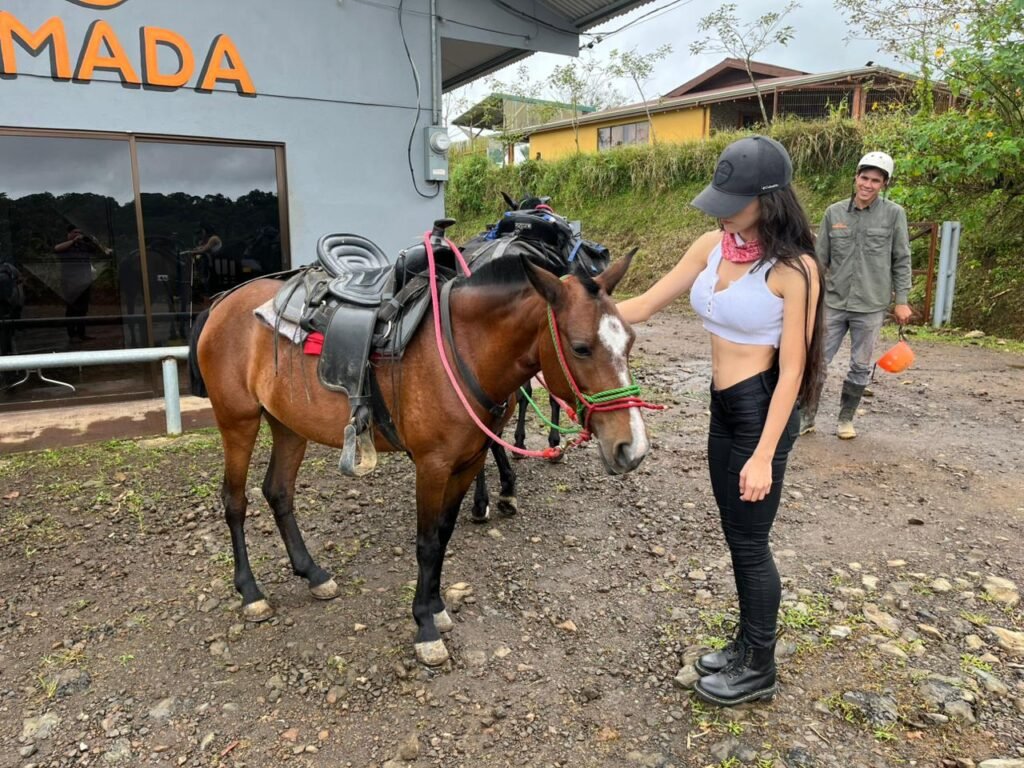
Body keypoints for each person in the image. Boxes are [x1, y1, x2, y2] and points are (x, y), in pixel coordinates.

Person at [618, 135, 824, 707]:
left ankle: (760, 666)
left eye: (735, 202)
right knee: (736, 537)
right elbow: (643, 304)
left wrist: (763, 454)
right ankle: (744, 644)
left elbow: (794, 373)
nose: (723, 212)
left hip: (762, 410)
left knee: (751, 543)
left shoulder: (794, 269)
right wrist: (573, 304)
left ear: (770, 200)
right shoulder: (713, 245)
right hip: (721, 407)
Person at [799, 151, 912, 439]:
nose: (868, 184)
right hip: (834, 302)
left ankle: (845, 420)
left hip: (871, 305)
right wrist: (808, 294)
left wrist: (901, 301)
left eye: (876, 180)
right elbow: (819, 260)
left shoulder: (894, 215)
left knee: (860, 366)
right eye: (865, 177)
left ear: (884, 184)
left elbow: (901, 259)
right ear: (856, 177)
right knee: (817, 361)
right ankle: (806, 417)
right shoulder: (834, 213)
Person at [54, 225, 109, 342]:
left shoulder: (84, 246)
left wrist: (94, 241)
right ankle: (72, 334)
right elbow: (56, 248)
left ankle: (81, 333)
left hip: (84, 280)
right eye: (75, 232)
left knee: (83, 309)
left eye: (79, 232)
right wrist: (73, 241)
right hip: (70, 282)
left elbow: (102, 252)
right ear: (69, 234)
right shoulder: (66, 246)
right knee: (72, 308)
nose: (78, 234)